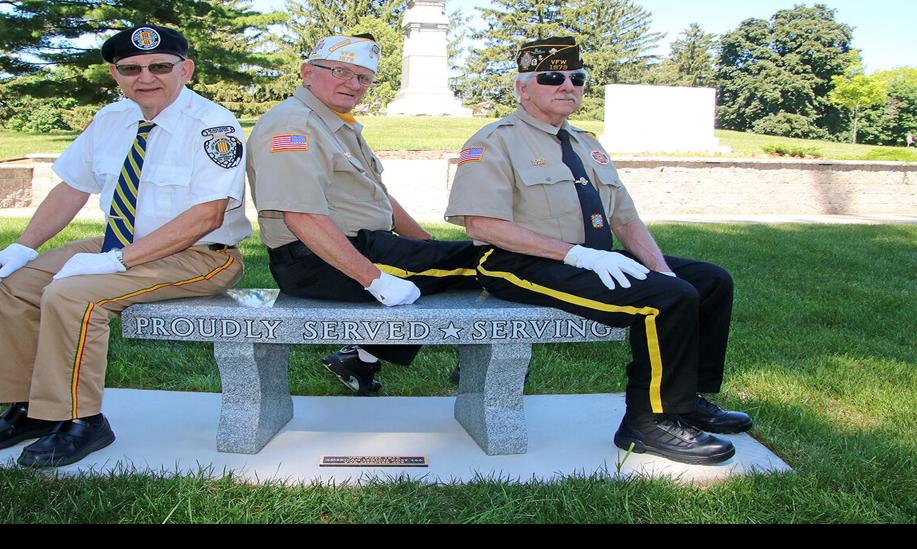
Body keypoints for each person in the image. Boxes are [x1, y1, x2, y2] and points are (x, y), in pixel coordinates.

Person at [444, 36, 751, 465]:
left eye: (577, 78)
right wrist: (576, 255)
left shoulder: (587, 143)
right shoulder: (496, 141)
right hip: (519, 262)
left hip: (595, 258)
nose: (567, 85)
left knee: (708, 281)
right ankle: (648, 423)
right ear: (522, 88)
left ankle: (684, 401)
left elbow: (624, 218)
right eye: (551, 77)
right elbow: (482, 224)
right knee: (667, 301)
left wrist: (660, 268)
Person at [0, 24, 251, 467]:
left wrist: (117, 262)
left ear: (186, 69)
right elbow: (71, 189)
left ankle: (83, 421)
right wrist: (22, 247)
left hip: (200, 255)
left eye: (160, 66)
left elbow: (206, 217)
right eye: (130, 68)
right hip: (120, 242)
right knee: (9, 283)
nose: (146, 77)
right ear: (116, 75)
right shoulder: (111, 119)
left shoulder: (213, 126)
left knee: (73, 295)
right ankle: (31, 410)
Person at [246, 33, 485, 396]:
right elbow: (300, 216)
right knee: (491, 260)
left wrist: (426, 245)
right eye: (341, 71)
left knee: (458, 260)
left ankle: (361, 359)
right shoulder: (293, 126)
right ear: (307, 72)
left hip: (358, 249)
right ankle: (481, 364)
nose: (353, 84)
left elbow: (379, 198)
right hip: (320, 263)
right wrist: (376, 282)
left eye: (363, 77)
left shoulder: (335, 123)